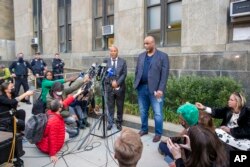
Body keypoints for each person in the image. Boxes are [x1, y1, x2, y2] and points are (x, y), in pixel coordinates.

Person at [134, 36, 169, 142]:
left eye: (147, 43)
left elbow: (164, 75)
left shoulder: (163, 56)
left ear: (153, 43)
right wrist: (136, 83)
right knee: (143, 111)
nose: (145, 46)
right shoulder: (141, 56)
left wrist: (160, 89)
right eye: (144, 43)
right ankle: (144, 129)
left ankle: (158, 133)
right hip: (141, 88)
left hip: (155, 91)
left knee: (157, 113)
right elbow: (137, 71)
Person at [36, 93, 82, 164]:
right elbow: (52, 138)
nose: (62, 104)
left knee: (68, 131)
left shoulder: (50, 111)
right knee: (69, 134)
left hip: (44, 140)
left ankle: (68, 131)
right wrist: (52, 154)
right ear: (59, 108)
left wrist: (77, 93)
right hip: (46, 146)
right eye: (61, 105)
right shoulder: (54, 121)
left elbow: (65, 102)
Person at [158, 103, 199, 167]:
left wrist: (178, 160)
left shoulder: (189, 135)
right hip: (195, 156)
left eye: (179, 118)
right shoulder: (196, 125)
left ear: (183, 122)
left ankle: (171, 161)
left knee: (162, 145)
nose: (178, 119)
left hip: (188, 160)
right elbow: (179, 136)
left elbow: (174, 139)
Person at [104, 46, 127, 130]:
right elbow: (104, 75)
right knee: (110, 106)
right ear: (109, 52)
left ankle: (119, 122)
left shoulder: (123, 61)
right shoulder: (106, 61)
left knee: (120, 106)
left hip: (120, 88)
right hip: (109, 88)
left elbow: (124, 74)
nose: (113, 52)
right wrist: (111, 82)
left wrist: (117, 83)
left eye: (114, 51)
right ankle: (110, 122)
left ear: (117, 52)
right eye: (111, 51)